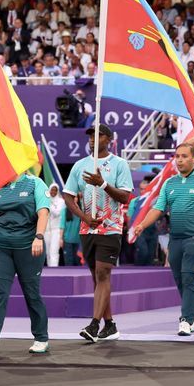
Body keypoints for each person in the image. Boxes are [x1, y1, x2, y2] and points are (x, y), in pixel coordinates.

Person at [131, 143, 194, 336]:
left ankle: (185, 319)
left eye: (184, 156)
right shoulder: (169, 183)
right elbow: (158, 209)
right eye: (177, 156)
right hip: (175, 239)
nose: (180, 160)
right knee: (179, 279)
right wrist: (142, 224)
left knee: (188, 274)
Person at [62, 124, 133, 343]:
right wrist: (84, 218)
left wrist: (102, 183)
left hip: (110, 227)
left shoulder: (119, 164)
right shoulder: (80, 165)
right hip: (87, 227)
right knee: (96, 277)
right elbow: (68, 196)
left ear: (108, 139)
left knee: (103, 273)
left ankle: (94, 325)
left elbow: (124, 197)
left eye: (98, 135)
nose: (92, 140)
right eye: (90, 136)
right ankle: (110, 324)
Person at [0, 169, 50, 356]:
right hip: (1, 248)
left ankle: (41, 338)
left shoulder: (35, 183)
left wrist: (39, 237)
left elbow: (43, 212)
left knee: (32, 294)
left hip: (29, 247)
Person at [45, 183, 65, 266]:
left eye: (55, 190)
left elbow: (57, 213)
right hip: (46, 230)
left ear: (57, 191)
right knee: (47, 253)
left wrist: (49, 204)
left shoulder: (61, 201)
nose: (53, 192)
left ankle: (54, 270)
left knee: (54, 251)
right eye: (52, 190)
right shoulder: (45, 200)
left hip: (56, 230)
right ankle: (49, 271)